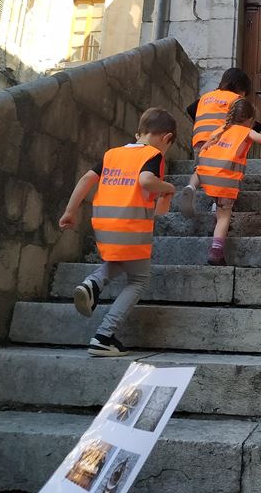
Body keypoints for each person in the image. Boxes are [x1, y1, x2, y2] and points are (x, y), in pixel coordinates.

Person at [59, 108, 177, 357]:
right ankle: (104, 336)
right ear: (166, 139)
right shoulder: (153, 155)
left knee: (122, 262)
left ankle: (93, 283)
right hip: (132, 225)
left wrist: (70, 211)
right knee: (139, 280)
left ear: (138, 133)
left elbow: (85, 180)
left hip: (104, 225)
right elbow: (146, 181)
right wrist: (168, 186)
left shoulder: (112, 154)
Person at [180, 67, 261, 217]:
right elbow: (242, 119)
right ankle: (218, 205)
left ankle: (191, 187)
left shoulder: (206, 97)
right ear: (241, 88)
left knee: (201, 170)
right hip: (220, 141)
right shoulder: (236, 99)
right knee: (221, 172)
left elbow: (190, 109)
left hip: (200, 140)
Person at [196, 98, 261, 265]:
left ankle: (194, 186)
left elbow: (204, 149)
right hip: (226, 179)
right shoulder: (246, 131)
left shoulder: (219, 130)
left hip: (209, 176)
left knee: (219, 211)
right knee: (224, 216)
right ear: (250, 120)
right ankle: (216, 251)